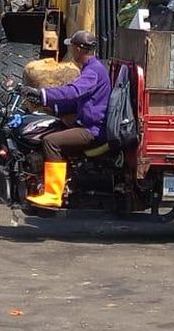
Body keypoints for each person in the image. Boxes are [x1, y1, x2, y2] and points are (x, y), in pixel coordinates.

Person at [20, 30, 110, 208]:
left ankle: (53, 194)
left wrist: (43, 95)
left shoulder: (93, 71)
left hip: (92, 130)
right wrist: (51, 107)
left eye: (72, 47)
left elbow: (73, 91)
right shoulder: (91, 68)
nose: (70, 51)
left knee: (50, 141)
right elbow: (79, 100)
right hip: (86, 124)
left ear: (78, 49)